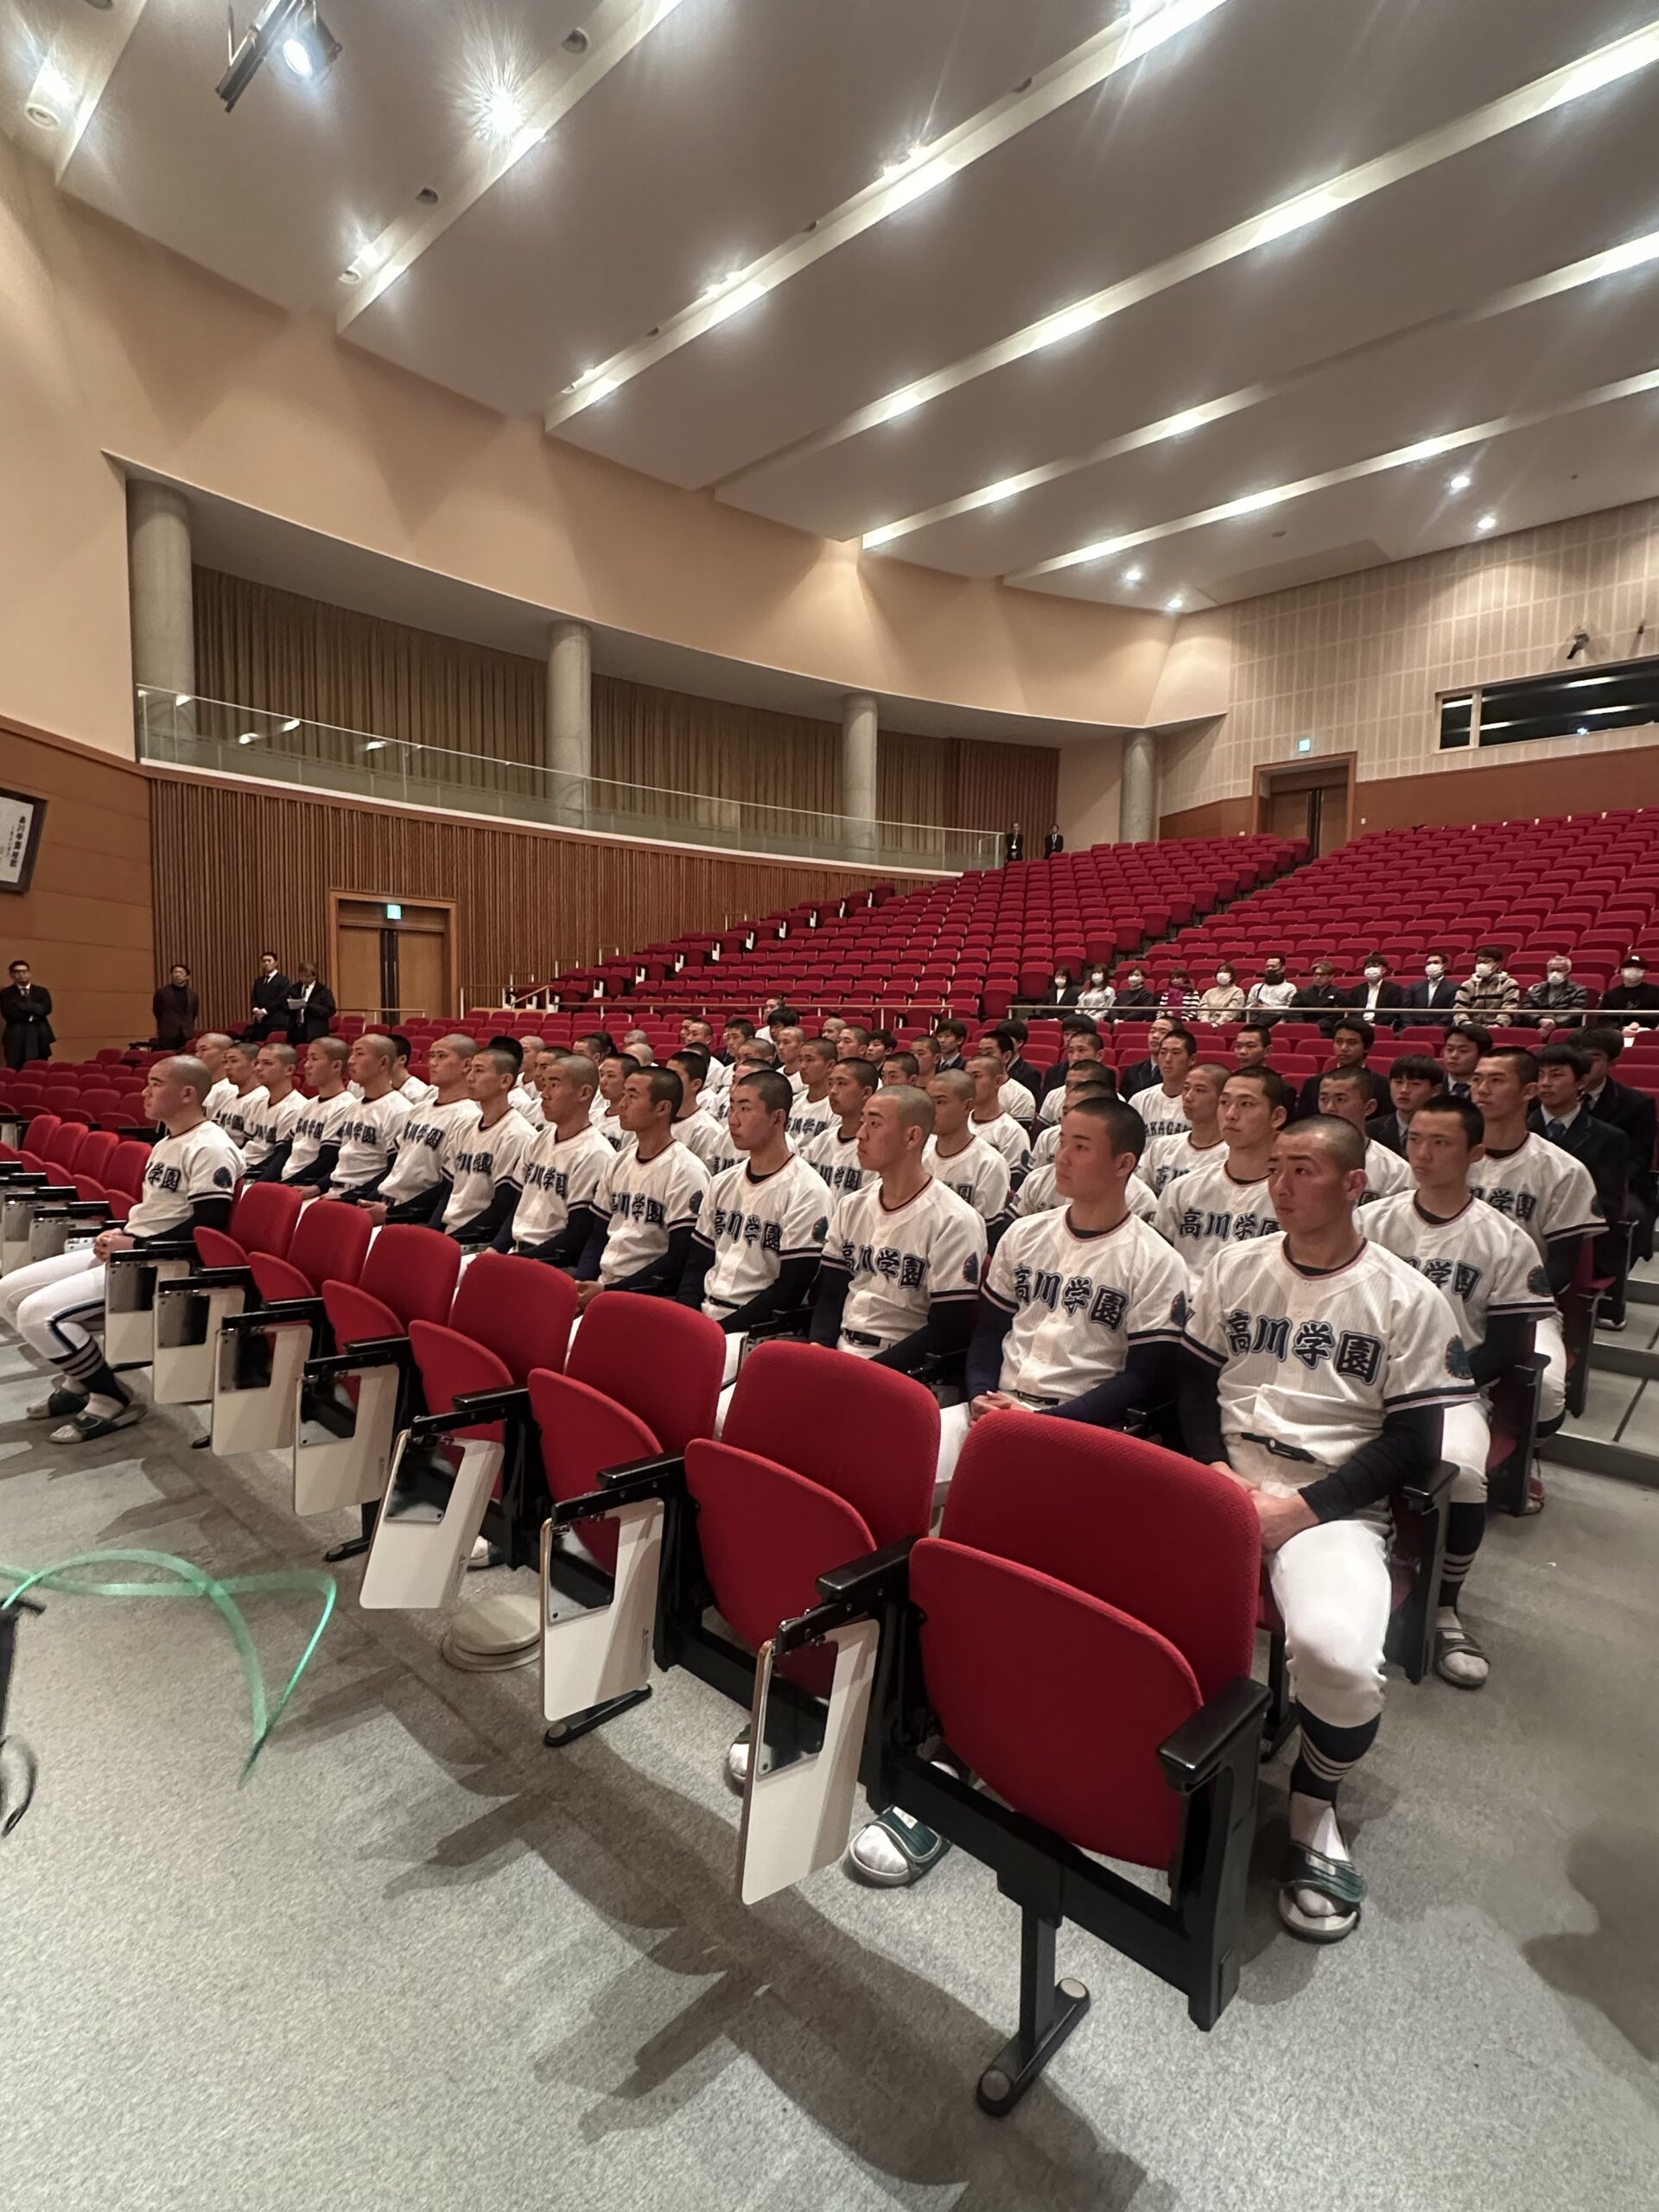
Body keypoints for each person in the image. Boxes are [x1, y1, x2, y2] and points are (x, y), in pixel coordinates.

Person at [851, 1092, 1192, 1891]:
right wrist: (979, 1398)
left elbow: (1144, 1379)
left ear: (1124, 1164)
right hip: (996, 1411)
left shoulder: (1155, 1261)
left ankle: (961, 1746)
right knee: (870, 1472)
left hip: (1082, 1435)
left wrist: (1046, 1427)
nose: (1061, 1155)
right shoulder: (1026, 1234)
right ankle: (862, 1670)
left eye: (1081, 1145)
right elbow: (985, 1337)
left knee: (991, 1570)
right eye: (1061, 1141)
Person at [1182, 1115, 1475, 1944]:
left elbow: (1415, 1442)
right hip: (1219, 1480)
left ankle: (1314, 1807)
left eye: (1303, 1169)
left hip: (1332, 1501)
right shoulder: (1234, 1266)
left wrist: (1304, 1510)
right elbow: (1190, 1386)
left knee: (1339, 1658)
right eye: (1275, 1167)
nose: (1281, 1184)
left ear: (1354, 1185)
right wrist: (1214, 1473)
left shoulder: (1406, 1297)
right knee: (1090, 1590)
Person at [1363, 1096, 1556, 1691]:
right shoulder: (1370, 1221)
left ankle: (1444, 1607)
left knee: (1464, 1475)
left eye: (1440, 1142)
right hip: (1363, 1380)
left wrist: (1431, 1381)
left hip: (1452, 1389)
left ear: (1475, 1153)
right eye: (1415, 1140)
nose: (1422, 1154)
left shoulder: (1505, 1239)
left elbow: (1508, 1344)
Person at [0, 1056, 243, 1441]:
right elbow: (159, 1211)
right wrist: (120, 1233)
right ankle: (80, 1381)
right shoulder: (168, 1140)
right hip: (133, 1247)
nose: (145, 1092)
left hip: (160, 1262)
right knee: (7, 1292)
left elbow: (208, 1225)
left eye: (156, 1084)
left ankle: (110, 1398)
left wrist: (136, 1244)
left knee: (37, 1315)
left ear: (187, 1094)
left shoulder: (210, 1147)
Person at [1468, 1047, 1602, 1453]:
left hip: (1525, 1304)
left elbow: (1561, 1266)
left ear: (1528, 1091)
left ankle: (1521, 1461)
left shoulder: (1562, 1169)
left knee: (1546, 1392)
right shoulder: (1447, 1155)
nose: (1482, 1089)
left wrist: (1497, 1302)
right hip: (1445, 1292)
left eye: (1496, 1080)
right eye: (1477, 1079)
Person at [808, 1085, 985, 1372]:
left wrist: (864, 1374)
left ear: (912, 1137)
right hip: (840, 1351)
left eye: (875, 1124)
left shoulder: (955, 1219)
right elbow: (830, 1295)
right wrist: (818, 1349)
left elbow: (949, 1328)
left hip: (899, 1367)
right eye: (863, 1121)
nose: (861, 1134)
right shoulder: (851, 1205)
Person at [677, 1068, 830, 1381]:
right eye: (732, 1107)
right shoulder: (722, 1182)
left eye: (745, 1109)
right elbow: (697, 1263)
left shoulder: (807, 1190)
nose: (733, 1120)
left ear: (778, 1117)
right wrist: (686, 1319)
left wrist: (717, 1330)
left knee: (690, 1384)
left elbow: (791, 1287)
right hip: (706, 1315)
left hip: (756, 1330)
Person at [578, 1065, 709, 1306]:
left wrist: (609, 1290)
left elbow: (679, 1258)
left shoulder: (686, 1171)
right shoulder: (618, 1161)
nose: (622, 1104)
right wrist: (580, 1283)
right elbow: (597, 1236)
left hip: (648, 1295)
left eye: (633, 1096)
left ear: (662, 1108)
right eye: (624, 1094)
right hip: (604, 1283)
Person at [1154, 1065, 1287, 1274]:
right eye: (1224, 1103)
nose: (1231, 1114)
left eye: (1246, 1104)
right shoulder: (1182, 1189)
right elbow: (1158, 1266)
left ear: (1277, 1117)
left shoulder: (1293, 1197)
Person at [502, 1053, 613, 1267]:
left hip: (553, 1264)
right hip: (518, 1251)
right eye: (544, 1085)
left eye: (554, 1085)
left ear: (584, 1093)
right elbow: (515, 1207)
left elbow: (576, 1237)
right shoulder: (539, 1139)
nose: (544, 1094)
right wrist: (497, 1248)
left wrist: (515, 1261)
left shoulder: (596, 1154)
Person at [363, 1033, 480, 1224]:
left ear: (467, 1065)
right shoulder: (418, 1109)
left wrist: (395, 1213)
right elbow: (396, 1166)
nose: (432, 1063)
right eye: (431, 1056)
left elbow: (449, 1186)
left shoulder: (469, 1118)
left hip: (417, 1215)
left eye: (441, 1056)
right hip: (386, 1205)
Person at [1529, 1043, 1631, 1236]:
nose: (1545, 1083)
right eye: (1540, 1075)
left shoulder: (1610, 1138)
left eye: (1556, 1075)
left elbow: (1608, 1205)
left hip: (1580, 1233)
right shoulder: (1519, 1129)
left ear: (1582, 1082)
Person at [440, 1046, 535, 1249]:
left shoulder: (517, 1135)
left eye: (479, 1071)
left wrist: (447, 1241)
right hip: (451, 1231)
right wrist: (434, 1233)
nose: (470, 1077)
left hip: (479, 1241)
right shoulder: (465, 1127)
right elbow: (448, 1189)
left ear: (505, 1081)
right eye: (470, 1070)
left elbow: (503, 1208)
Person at [1579, 1027, 1657, 1263]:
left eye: (1593, 1058)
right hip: (1556, 1178)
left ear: (1612, 1063)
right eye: (1577, 1057)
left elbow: (1638, 1159)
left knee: (1628, 1213)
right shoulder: (1545, 1097)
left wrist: (1601, 1183)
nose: (1584, 1065)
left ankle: (1608, 1276)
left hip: (1613, 1182)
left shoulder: (1636, 1104)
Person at [922, 1071, 1013, 1240]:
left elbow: (988, 1231)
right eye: (928, 1102)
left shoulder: (990, 1163)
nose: (931, 1111)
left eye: (940, 1102)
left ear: (967, 1106)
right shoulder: (918, 1153)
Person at [328, 1033, 413, 1201]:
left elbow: (393, 1171)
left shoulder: (400, 1110)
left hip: (365, 1198)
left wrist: (348, 1198)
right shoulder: (353, 1107)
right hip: (335, 1191)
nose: (351, 1061)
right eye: (352, 1054)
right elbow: (342, 1159)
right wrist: (318, 1187)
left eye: (359, 1054)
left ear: (383, 1063)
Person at [1317, 1067, 1412, 1203]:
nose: (1330, 1108)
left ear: (1369, 1107)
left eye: (1340, 1099)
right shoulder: (1298, 1157)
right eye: (1324, 1099)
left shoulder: (1396, 1171)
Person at [1137, 1063, 1225, 1194]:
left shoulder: (1231, 1155)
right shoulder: (1161, 1146)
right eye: (1186, 1088)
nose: (1188, 1097)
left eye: (1200, 1090)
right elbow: (1138, 1191)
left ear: (1223, 1099)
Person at [280, 1038, 355, 1189]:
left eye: (314, 1059)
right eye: (307, 1058)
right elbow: (286, 1150)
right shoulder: (309, 1105)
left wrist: (283, 1186)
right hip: (289, 1180)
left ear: (336, 1065)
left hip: (308, 1186)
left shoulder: (346, 1106)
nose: (306, 1065)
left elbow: (328, 1161)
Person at [802, 1056, 878, 1199]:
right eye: (830, 1083)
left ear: (866, 1093)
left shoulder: (878, 1149)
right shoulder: (821, 1141)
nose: (832, 1091)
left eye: (842, 1083)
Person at [242, 1043, 307, 1181]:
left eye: (267, 1063)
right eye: (257, 1063)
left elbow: (280, 1157)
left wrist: (246, 1175)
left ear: (289, 1070)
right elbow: (246, 1144)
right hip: (243, 1165)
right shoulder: (257, 1102)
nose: (258, 1068)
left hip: (259, 1174)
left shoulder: (297, 1108)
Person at [964, 1052, 1032, 1180]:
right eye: (967, 1077)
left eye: (976, 1076)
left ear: (997, 1081)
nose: (969, 1083)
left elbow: (1014, 1182)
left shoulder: (1013, 1132)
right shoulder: (957, 1123)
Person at [1296, 1017, 1374, 1122]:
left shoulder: (1382, 1085)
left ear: (1367, 1047)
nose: (1344, 1048)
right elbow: (1302, 1122)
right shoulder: (1313, 1083)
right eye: (1339, 1042)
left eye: (1351, 1043)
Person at [1129, 1025, 1197, 1141]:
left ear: (1192, 1059)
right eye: (1163, 1052)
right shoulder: (1139, 1100)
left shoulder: (1201, 1102)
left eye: (1175, 1053)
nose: (1167, 1059)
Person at [1372, 1054, 1442, 1154]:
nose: (1404, 1090)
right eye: (1398, 1082)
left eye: (1415, 1084)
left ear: (1435, 1090)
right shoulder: (1370, 1131)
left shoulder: (1446, 1131)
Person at [212, 1040, 268, 1151]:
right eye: (226, 1062)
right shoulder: (228, 1097)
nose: (227, 1067)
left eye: (234, 1061)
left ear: (255, 1064)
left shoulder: (262, 1099)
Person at [785, 1036, 837, 1147]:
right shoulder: (794, 1101)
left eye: (810, 1060)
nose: (802, 1066)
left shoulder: (837, 1106)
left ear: (830, 1065)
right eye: (800, 1060)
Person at [1, 960, 53, 1069]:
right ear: (11, 974)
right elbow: (9, 1014)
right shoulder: (6, 993)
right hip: (16, 1035)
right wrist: (34, 1012)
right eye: (17, 972)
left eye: (24, 971)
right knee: (15, 1068)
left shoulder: (41, 991)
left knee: (39, 1068)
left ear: (29, 973)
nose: (21, 974)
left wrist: (22, 1005)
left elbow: (46, 1009)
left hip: (39, 1034)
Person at [1452, 945, 1519, 1028]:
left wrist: (1497, 1025)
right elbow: (1459, 1009)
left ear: (1498, 964)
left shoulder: (1509, 984)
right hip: (1470, 1029)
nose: (1481, 965)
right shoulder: (1467, 985)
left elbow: (1509, 1009)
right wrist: (1468, 1025)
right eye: (1479, 962)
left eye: (1486, 962)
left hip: (1498, 1029)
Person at [1521, 954, 1589, 1033]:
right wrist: (1540, 1020)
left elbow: (1574, 1013)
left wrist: (1553, 1024)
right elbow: (1526, 1008)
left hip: (1563, 1030)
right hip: (1537, 1027)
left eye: (1559, 970)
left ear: (1568, 973)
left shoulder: (1578, 991)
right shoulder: (1535, 989)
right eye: (1552, 970)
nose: (1554, 974)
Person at [1115, 1015, 1168, 1106]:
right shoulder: (1132, 1071)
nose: (1155, 1036)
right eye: (1152, 1031)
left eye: (1163, 1032)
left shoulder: (1184, 1073)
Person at [1345, 955, 1406, 1029]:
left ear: (1384, 970)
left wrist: (1377, 1024)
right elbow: (1352, 1011)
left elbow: (1393, 1013)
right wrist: (1361, 1024)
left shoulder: (1393, 989)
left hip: (1381, 1026)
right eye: (1368, 967)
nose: (1371, 969)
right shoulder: (1357, 989)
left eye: (1375, 966)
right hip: (1359, 1026)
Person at [284, 961, 335, 1046]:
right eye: (302, 976)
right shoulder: (294, 989)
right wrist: (292, 1005)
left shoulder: (323, 991)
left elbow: (330, 1010)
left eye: (307, 976)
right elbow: (284, 1006)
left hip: (314, 1031)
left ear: (314, 976)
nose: (304, 979)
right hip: (295, 1030)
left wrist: (309, 1006)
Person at [245, 951, 291, 1043]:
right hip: (260, 1021)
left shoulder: (283, 980)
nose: (266, 963)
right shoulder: (258, 981)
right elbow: (254, 998)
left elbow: (281, 999)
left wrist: (264, 1011)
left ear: (276, 963)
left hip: (276, 1021)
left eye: (269, 961)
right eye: (264, 961)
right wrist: (255, 1010)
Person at [151, 963, 199, 1051]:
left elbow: (194, 1012)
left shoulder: (192, 994)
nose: (177, 975)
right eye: (175, 972)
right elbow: (157, 1010)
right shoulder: (162, 992)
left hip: (186, 1032)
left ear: (187, 976)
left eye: (181, 972)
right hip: (168, 1032)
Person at [1603, 952, 1659, 1027]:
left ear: (1645, 972)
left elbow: (1656, 1015)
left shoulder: (1655, 992)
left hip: (1647, 1030)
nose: (1633, 970)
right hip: (1617, 1032)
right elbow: (1605, 1020)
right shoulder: (1610, 995)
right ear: (1622, 971)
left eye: (1638, 968)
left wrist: (1638, 1024)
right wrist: (1621, 1030)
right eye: (1629, 967)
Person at [1439, 1021, 1491, 1100]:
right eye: (1449, 1049)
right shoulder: (1433, 1088)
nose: (1453, 1056)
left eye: (1463, 1051)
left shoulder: (1492, 1090)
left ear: (1482, 1056)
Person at [1403, 951, 1459, 1026]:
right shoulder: (1414, 987)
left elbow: (1451, 1012)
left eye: (1436, 962)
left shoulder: (1453, 988)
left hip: (1441, 1027)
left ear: (1444, 966)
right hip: (1414, 1026)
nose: (1432, 966)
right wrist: (1410, 1026)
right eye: (1429, 963)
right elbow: (1405, 1009)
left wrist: (1437, 1026)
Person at [1292, 958, 1344, 1031]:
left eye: (1322, 975)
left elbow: (1338, 1015)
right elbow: (1293, 1011)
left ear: (1331, 977)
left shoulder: (1338, 994)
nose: (1318, 977)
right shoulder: (1303, 993)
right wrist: (1301, 1025)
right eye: (1316, 974)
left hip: (1326, 1028)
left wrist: (1319, 1025)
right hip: (1302, 1027)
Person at [1246, 955, 1297, 1025]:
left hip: (1277, 1018)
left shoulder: (1290, 987)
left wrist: (1269, 1008)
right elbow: (1247, 1006)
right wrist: (1253, 1006)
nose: (1270, 969)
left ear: (1282, 969)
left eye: (1273, 967)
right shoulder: (1256, 987)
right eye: (1268, 967)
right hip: (1256, 1016)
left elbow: (1291, 1009)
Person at [1195, 963, 1246, 1027]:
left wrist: (1218, 1023)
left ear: (1232, 976)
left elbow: (1232, 1011)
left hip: (1226, 1025)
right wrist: (1205, 1023)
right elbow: (1203, 1009)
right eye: (1220, 972)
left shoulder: (1237, 992)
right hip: (1207, 1023)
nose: (1222, 974)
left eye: (1225, 972)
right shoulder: (1209, 992)